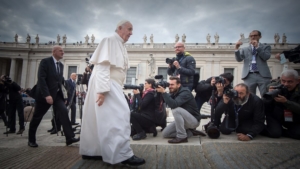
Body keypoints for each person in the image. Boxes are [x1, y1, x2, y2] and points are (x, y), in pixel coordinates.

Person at [79, 20, 145, 166]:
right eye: (129, 29)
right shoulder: (109, 40)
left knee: (97, 119)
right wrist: (102, 91)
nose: (131, 33)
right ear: (120, 28)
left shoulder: (120, 44)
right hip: (107, 83)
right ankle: (122, 155)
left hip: (109, 83)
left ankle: (93, 151)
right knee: (120, 116)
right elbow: (103, 66)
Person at [28, 46, 79, 147]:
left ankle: (69, 138)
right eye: (61, 51)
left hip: (56, 96)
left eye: (63, 51)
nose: (63, 53)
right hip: (44, 95)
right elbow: (41, 79)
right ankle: (31, 139)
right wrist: (47, 95)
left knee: (64, 111)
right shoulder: (45, 62)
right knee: (37, 117)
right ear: (54, 52)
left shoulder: (61, 65)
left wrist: (64, 97)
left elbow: (59, 82)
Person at [156, 76, 205, 144]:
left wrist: (164, 92)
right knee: (165, 134)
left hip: (193, 120)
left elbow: (174, 104)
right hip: (184, 121)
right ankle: (190, 132)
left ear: (178, 85)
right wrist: (159, 92)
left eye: (172, 84)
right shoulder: (174, 92)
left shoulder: (185, 92)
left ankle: (182, 136)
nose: (170, 86)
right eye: (169, 84)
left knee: (176, 109)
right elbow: (166, 102)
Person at [263, 70, 300, 140]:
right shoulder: (272, 87)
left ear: (298, 81)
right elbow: (264, 104)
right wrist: (269, 96)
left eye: (290, 82)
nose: (286, 84)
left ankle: (283, 132)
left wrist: (286, 102)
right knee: (275, 133)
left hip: (295, 117)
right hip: (276, 115)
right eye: (283, 81)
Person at [235, 30, 272, 96]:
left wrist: (257, 47)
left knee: (265, 96)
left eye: (255, 35)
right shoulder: (244, 48)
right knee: (249, 97)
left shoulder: (266, 47)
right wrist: (236, 49)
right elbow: (239, 59)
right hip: (249, 75)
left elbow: (266, 57)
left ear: (260, 37)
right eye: (251, 36)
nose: (253, 37)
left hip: (263, 76)